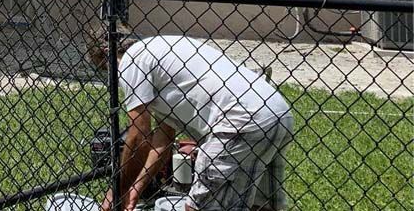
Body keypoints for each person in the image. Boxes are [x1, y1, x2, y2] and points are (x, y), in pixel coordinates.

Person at [91, 35, 293, 211]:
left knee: (198, 207)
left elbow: (138, 137)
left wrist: (117, 191)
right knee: (261, 206)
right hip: (277, 111)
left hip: (239, 119)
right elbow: (163, 140)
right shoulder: (160, 52)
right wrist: (136, 188)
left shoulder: (131, 61)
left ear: (105, 58)